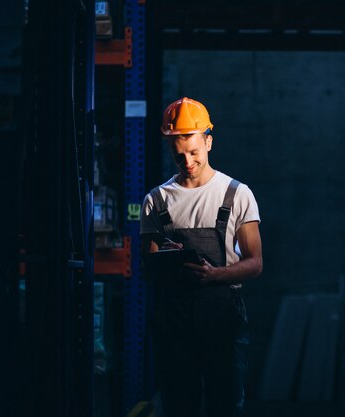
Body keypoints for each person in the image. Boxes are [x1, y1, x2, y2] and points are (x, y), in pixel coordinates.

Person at [140, 97, 263, 417]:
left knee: (224, 404)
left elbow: (255, 263)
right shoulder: (156, 200)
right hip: (175, 318)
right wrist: (168, 261)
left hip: (222, 314)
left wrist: (215, 275)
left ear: (208, 141)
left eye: (194, 152)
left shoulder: (236, 194)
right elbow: (149, 267)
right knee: (180, 405)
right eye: (179, 155)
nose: (187, 161)